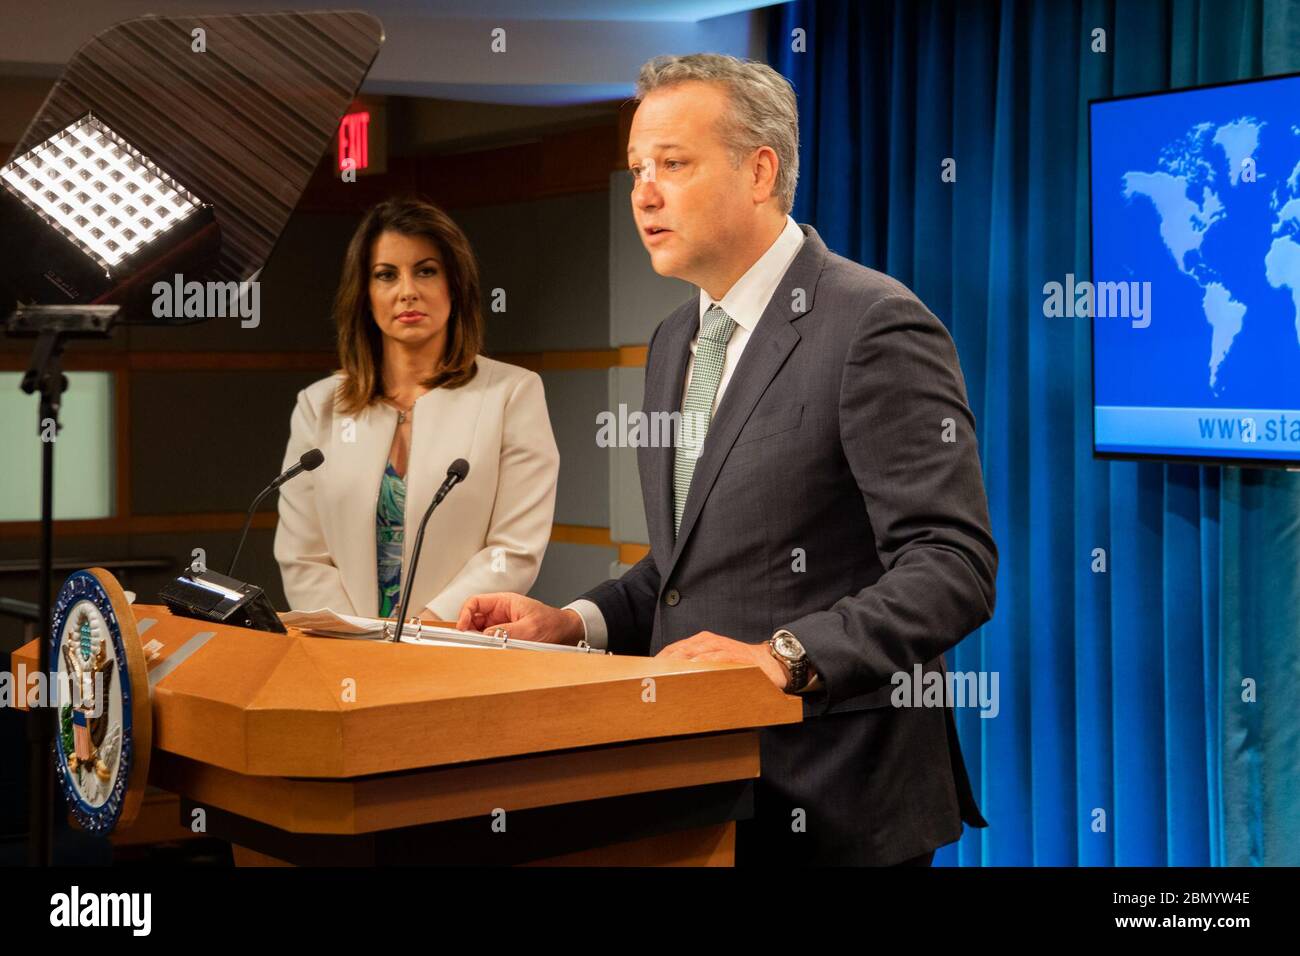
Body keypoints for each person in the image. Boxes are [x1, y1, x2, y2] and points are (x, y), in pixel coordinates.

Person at [457, 54, 998, 866]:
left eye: (672, 164)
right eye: (638, 168)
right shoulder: (676, 340)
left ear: (759, 171)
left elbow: (952, 565)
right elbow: (686, 570)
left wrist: (784, 655)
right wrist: (575, 624)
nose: (643, 192)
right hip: (698, 787)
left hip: (837, 795)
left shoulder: (873, 325)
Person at [275, 196, 559, 622]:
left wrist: (421, 631)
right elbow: (303, 556)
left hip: (458, 646)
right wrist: (357, 640)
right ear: (365, 294)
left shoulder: (512, 394)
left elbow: (512, 550)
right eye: (386, 275)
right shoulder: (318, 406)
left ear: (455, 285)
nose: (407, 291)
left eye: (426, 271)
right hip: (344, 655)